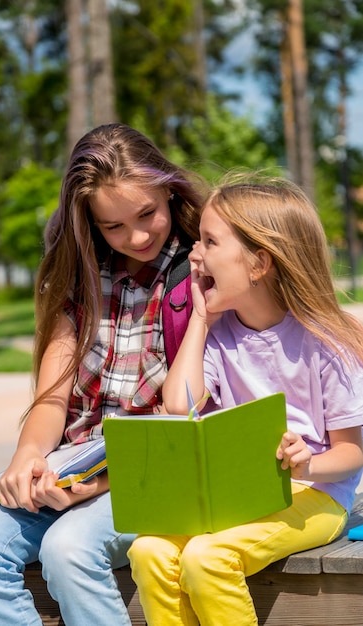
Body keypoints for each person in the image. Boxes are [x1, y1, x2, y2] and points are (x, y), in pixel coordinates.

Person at [0, 123, 205, 626]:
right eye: (113, 226)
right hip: (77, 470)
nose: (136, 236)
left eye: (147, 214)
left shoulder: (199, 272)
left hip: (160, 474)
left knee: (68, 550)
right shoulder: (82, 280)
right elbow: (51, 400)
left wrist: (103, 482)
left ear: (170, 191)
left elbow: (198, 415)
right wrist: (28, 456)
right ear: (88, 223)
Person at [128, 172, 363, 626]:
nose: (194, 255)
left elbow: (353, 453)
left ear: (258, 264)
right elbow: (181, 406)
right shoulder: (221, 335)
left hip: (316, 495)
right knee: (149, 549)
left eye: (210, 243)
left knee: (207, 558)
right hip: (242, 497)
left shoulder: (327, 343)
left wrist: (306, 464)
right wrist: (200, 318)